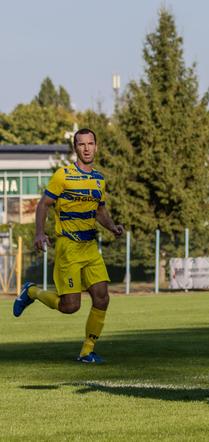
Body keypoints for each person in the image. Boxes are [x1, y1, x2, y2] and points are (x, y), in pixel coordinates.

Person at [13, 128, 124, 363]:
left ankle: (87, 351)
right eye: (81, 144)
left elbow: (100, 210)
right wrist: (39, 233)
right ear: (75, 148)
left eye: (90, 143)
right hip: (68, 248)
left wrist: (112, 227)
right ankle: (31, 291)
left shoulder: (99, 179)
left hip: (90, 247)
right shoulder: (62, 176)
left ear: (96, 146)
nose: (86, 148)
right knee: (70, 306)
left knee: (102, 298)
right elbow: (43, 205)